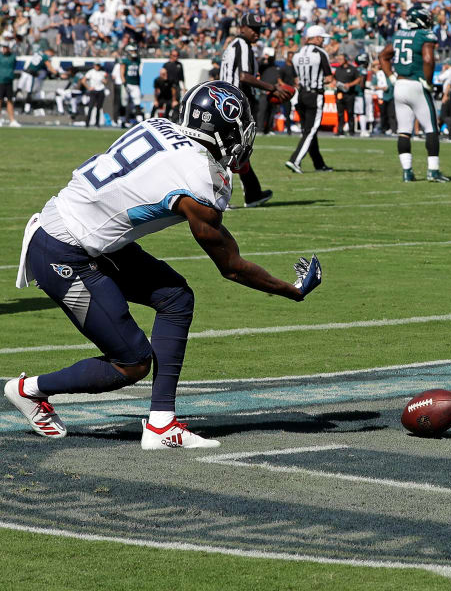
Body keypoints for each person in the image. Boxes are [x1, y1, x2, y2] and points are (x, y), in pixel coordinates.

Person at [4, 80, 322, 449]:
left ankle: (161, 424)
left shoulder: (159, 125)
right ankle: (29, 390)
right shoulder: (200, 179)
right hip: (63, 250)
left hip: (85, 232)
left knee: (175, 297)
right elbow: (230, 266)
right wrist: (290, 289)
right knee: (133, 362)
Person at [220, 11, 283, 207]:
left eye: (259, 29)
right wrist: (271, 87)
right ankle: (222, 198)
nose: (257, 33)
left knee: (240, 151)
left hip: (226, 102)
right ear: (242, 28)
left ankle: (253, 194)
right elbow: (245, 77)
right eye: (253, 29)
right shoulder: (243, 46)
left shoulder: (235, 45)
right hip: (232, 104)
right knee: (232, 151)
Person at [380, 6, 448, 182]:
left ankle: (407, 171)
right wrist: (428, 80)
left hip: (400, 84)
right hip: (416, 83)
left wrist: (391, 77)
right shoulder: (426, 36)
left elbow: (383, 56)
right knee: (431, 128)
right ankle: (433, 171)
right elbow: (428, 59)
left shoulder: (399, 34)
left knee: (404, 131)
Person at [286, 25, 335, 174]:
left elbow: (296, 79)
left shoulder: (296, 54)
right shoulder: (320, 53)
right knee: (311, 131)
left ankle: (319, 164)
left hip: (301, 95)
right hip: (315, 95)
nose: (323, 41)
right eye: (322, 38)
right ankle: (295, 160)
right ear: (317, 38)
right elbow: (328, 78)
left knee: (308, 130)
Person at [332, 53, 361, 137]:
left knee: (350, 112)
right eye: (338, 59)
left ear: (345, 59)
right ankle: (340, 130)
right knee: (340, 113)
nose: (339, 61)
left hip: (349, 94)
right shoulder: (338, 69)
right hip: (339, 93)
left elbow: (358, 79)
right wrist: (334, 82)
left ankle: (351, 131)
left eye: (341, 59)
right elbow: (334, 79)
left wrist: (350, 84)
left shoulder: (352, 69)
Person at [113, 44, 143, 124]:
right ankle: (122, 120)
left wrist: (139, 84)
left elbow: (138, 73)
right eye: (132, 50)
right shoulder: (125, 61)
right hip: (127, 83)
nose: (134, 52)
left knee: (137, 102)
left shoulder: (137, 60)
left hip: (135, 84)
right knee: (124, 102)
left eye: (134, 50)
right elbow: (121, 73)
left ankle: (139, 120)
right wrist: (124, 83)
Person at [82, 62, 109, 127]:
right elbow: (83, 80)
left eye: (98, 65)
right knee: (90, 107)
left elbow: (106, 82)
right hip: (93, 91)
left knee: (98, 108)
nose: (97, 67)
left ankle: (97, 123)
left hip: (100, 91)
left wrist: (104, 79)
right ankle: (87, 123)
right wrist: (88, 87)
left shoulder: (102, 72)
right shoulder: (91, 72)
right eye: (96, 65)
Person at [0, 41, 17, 127]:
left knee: (10, 100)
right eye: (3, 47)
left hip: (9, 81)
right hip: (0, 81)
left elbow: (13, 65)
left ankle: (12, 120)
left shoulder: (12, 57)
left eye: (6, 47)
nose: (4, 49)